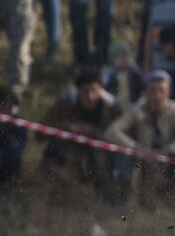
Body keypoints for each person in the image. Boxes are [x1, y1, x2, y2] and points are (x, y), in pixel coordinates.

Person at [105, 69, 175, 206]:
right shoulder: (136, 109)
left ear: (168, 92)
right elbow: (111, 132)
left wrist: (168, 150)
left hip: (166, 159)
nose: (157, 96)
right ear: (146, 91)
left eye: (161, 91)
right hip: (141, 159)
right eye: (152, 90)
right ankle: (126, 192)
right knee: (123, 143)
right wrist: (137, 148)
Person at [38, 65, 119, 196]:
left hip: (102, 151)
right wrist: (69, 128)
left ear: (100, 90)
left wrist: (98, 133)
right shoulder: (66, 102)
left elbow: (120, 133)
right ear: (77, 91)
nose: (90, 96)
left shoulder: (111, 106)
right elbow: (40, 131)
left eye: (94, 91)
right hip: (71, 148)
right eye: (85, 91)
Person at [101, 40, 144, 109]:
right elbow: (106, 89)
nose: (122, 60)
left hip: (134, 106)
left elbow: (141, 89)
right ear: (112, 60)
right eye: (118, 57)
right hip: (115, 105)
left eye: (125, 56)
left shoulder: (136, 72)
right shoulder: (110, 74)